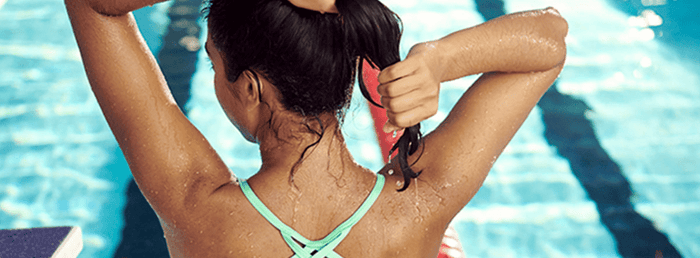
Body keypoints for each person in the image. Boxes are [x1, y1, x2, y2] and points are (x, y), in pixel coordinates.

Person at [65, 0, 567, 256]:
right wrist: (440, 59)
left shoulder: (194, 207)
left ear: (251, 89)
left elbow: (94, 5)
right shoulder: (418, 202)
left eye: (215, 64)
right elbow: (549, 43)